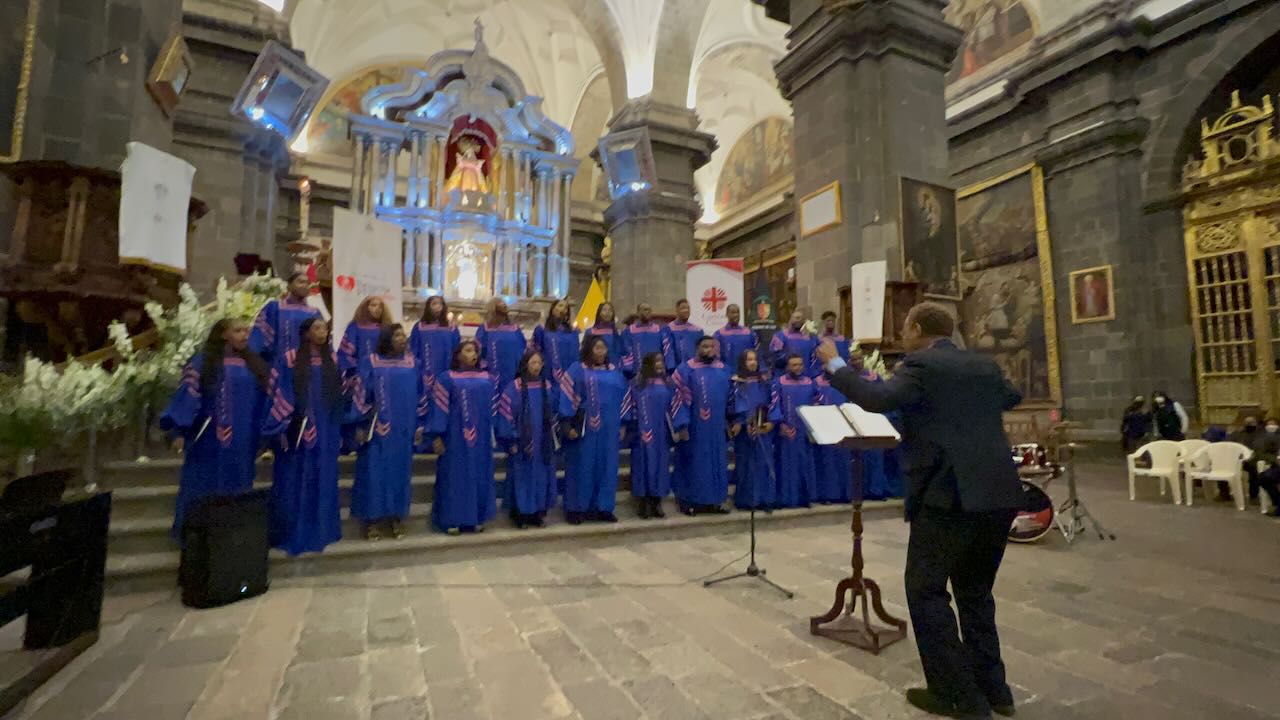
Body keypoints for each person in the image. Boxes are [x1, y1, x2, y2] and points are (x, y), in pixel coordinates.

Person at [817, 301, 1023, 720]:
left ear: (914, 328)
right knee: (975, 591)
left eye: (906, 328)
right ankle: (995, 690)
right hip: (1000, 491)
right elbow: (1012, 396)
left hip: (949, 495)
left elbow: (876, 398)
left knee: (926, 591)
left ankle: (959, 697)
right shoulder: (982, 366)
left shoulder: (923, 365)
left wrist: (836, 364)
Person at [160, 318, 270, 542]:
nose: (244, 335)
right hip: (207, 438)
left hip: (242, 440)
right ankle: (193, 535)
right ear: (223, 334)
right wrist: (178, 431)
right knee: (201, 486)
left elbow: (262, 402)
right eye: (238, 330)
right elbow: (188, 396)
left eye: (246, 331)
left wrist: (265, 436)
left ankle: (229, 537)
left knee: (238, 487)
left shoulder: (254, 365)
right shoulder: (203, 362)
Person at [262, 317, 345, 556]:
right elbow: (278, 391)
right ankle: (291, 531)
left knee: (323, 477)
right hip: (296, 428)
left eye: (325, 327)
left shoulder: (333, 359)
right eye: (317, 328)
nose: (323, 331)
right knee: (294, 479)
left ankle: (322, 530)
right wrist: (287, 422)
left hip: (326, 429)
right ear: (306, 333)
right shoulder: (289, 358)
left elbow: (338, 395)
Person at [349, 325, 425, 541]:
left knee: (400, 475)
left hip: (404, 429)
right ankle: (371, 521)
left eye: (404, 335)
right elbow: (361, 393)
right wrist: (360, 425)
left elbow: (421, 395)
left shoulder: (413, 363)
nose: (403, 339)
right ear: (387, 338)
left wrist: (420, 425)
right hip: (377, 428)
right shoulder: (371, 361)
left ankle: (396, 518)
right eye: (398, 335)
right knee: (374, 475)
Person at [427, 340, 498, 534]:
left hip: (480, 440)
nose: (473, 354)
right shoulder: (446, 379)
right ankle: (452, 519)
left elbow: (492, 411)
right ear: (458, 355)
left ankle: (475, 518)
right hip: (454, 440)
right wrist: (436, 436)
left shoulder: (487, 379)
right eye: (468, 350)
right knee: (454, 477)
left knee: (478, 475)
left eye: (475, 350)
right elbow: (439, 409)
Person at [559, 335, 627, 524]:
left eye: (603, 348)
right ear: (588, 349)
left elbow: (624, 398)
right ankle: (576, 509)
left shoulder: (615, 372)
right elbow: (567, 395)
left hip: (609, 427)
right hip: (584, 428)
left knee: (607, 466)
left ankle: (603, 508)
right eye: (597, 348)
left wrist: (623, 423)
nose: (600, 352)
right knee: (581, 466)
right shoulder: (577, 369)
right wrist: (567, 423)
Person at [672, 336, 736, 515]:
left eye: (712, 347)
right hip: (694, 427)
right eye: (705, 346)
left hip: (716, 427)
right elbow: (677, 398)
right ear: (697, 348)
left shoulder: (724, 370)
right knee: (693, 462)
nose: (709, 350)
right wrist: (682, 424)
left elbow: (732, 398)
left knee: (716, 463)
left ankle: (715, 501)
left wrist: (734, 420)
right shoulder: (685, 370)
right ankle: (689, 502)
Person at [496, 351, 558, 529]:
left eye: (539, 363)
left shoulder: (546, 386)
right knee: (522, 476)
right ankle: (520, 514)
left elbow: (553, 412)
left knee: (541, 476)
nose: (537, 366)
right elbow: (506, 415)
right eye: (533, 363)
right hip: (522, 442)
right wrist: (512, 440)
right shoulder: (514, 388)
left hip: (543, 443)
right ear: (525, 364)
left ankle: (537, 513)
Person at [622, 352, 688, 519]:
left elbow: (677, 406)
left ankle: (656, 502)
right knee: (641, 466)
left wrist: (681, 426)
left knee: (660, 467)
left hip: (661, 433)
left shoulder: (669, 384)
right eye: (656, 361)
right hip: (640, 433)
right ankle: (643, 502)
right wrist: (625, 425)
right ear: (648, 363)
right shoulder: (636, 384)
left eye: (662, 361)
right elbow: (628, 406)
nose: (660, 364)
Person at [731, 349, 779, 510]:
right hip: (746, 430)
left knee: (763, 463)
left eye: (754, 359)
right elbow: (735, 403)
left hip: (763, 428)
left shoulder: (765, 382)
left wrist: (771, 421)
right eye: (748, 360)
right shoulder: (738, 382)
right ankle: (747, 500)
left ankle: (766, 499)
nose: (752, 362)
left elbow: (773, 402)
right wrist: (743, 421)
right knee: (746, 464)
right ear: (742, 363)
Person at [771, 354, 819, 508]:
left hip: (804, 430)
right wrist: (780, 424)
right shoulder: (779, 383)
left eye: (799, 364)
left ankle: (804, 498)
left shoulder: (810, 383)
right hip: (787, 430)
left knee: (804, 464)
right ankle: (786, 499)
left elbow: (817, 403)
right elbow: (774, 404)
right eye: (793, 365)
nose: (797, 368)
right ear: (787, 367)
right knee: (786, 465)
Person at [250, 272, 322, 364]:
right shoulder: (274, 308)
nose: (305, 285)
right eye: (300, 282)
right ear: (289, 286)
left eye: (307, 283)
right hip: (278, 366)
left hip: (306, 368)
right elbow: (258, 339)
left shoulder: (314, 313)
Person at [813, 373, 854, 504]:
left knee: (844, 460)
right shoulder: (816, 382)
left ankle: (846, 494)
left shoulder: (845, 382)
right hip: (825, 424)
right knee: (827, 462)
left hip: (844, 423)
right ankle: (829, 495)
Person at [409, 295, 462, 389]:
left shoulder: (451, 327)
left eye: (440, 304)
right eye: (434, 304)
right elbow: (414, 349)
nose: (437, 306)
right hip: (425, 371)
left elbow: (456, 349)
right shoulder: (419, 327)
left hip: (446, 369)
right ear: (428, 307)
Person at [338, 295, 395, 378]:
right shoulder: (354, 327)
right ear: (365, 307)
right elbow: (345, 354)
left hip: (383, 375)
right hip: (360, 376)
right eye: (373, 305)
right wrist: (355, 374)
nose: (378, 309)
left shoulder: (387, 329)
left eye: (380, 306)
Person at [476, 297, 526, 386]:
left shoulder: (514, 329)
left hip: (512, 368)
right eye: (500, 303)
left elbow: (522, 346)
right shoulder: (485, 328)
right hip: (492, 369)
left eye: (504, 303)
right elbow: (479, 349)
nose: (504, 304)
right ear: (493, 307)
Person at [532, 299, 580, 382]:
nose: (563, 309)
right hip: (548, 373)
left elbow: (575, 353)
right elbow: (536, 352)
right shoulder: (542, 329)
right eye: (560, 305)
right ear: (552, 309)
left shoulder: (572, 332)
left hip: (569, 373)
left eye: (566, 308)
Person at [769, 310, 819, 376]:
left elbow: (815, 357)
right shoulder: (780, 336)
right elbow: (774, 356)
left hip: (806, 378)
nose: (799, 320)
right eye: (797, 318)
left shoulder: (810, 338)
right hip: (785, 378)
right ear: (790, 319)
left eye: (802, 318)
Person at [621, 303, 664, 376]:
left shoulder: (659, 330)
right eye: (645, 310)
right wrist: (628, 370)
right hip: (636, 373)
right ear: (638, 313)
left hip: (655, 373)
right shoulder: (629, 331)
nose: (648, 312)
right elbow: (625, 351)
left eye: (649, 310)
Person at [714, 303, 758, 370]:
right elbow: (716, 357)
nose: (736, 315)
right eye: (733, 312)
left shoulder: (749, 333)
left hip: (746, 373)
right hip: (727, 373)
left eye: (738, 312)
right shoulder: (719, 334)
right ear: (726, 314)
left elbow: (756, 354)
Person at [664, 299, 704, 370]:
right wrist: (672, 368)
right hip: (676, 370)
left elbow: (701, 351)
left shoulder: (697, 330)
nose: (686, 310)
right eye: (683, 308)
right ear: (676, 311)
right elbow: (668, 350)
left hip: (694, 370)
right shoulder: (669, 329)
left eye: (688, 308)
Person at [586, 301, 624, 366]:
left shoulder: (617, 332)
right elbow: (586, 353)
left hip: (614, 369)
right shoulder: (591, 332)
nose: (607, 312)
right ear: (599, 313)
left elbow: (622, 352)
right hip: (595, 369)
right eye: (604, 310)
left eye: (610, 310)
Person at [814, 310, 849, 375]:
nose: (830, 323)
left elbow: (846, 356)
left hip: (840, 370)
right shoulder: (818, 339)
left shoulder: (841, 339)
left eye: (832, 321)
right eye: (828, 321)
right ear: (823, 322)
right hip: (824, 371)